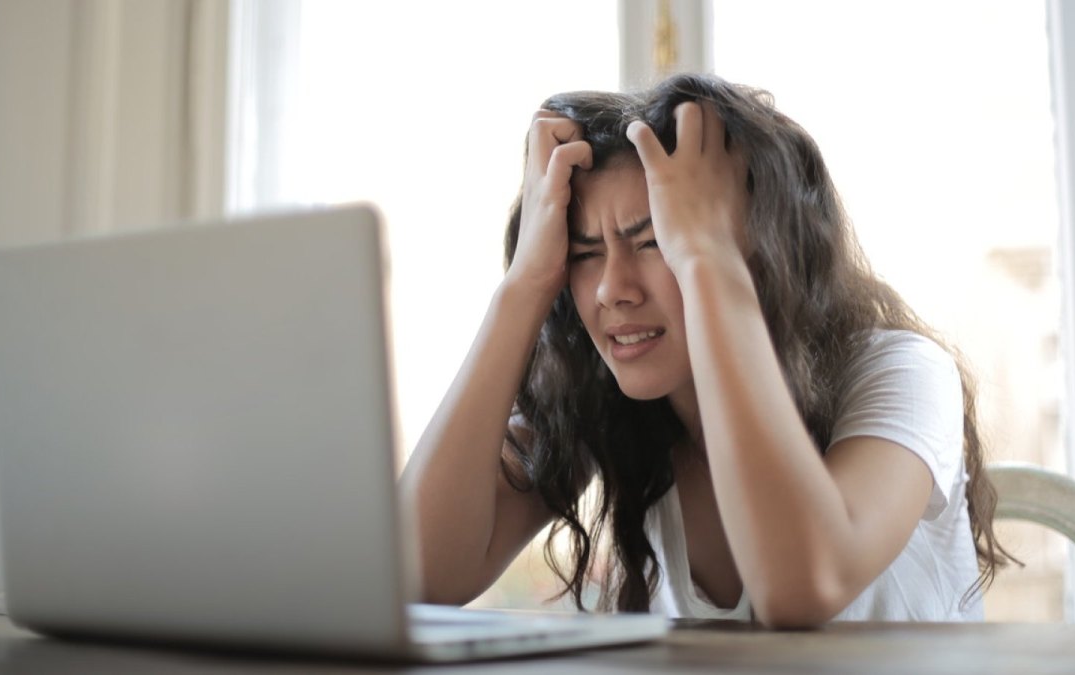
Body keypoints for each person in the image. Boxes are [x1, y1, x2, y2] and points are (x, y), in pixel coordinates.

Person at [400, 72, 1013, 626]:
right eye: (584, 254)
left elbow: (802, 586)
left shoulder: (903, 371)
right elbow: (418, 575)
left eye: (656, 242)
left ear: (760, 247)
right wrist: (524, 285)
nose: (613, 289)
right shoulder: (612, 403)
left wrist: (707, 260)